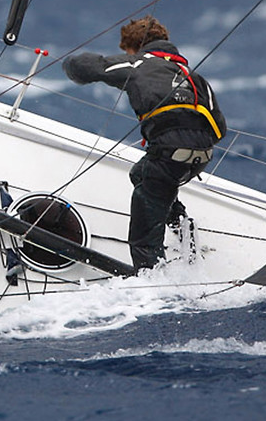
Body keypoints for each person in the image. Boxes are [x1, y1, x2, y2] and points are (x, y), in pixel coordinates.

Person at [62, 16, 225, 270]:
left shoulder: (138, 62)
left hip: (169, 153)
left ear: (134, 47)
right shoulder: (193, 76)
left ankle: (152, 281)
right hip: (202, 156)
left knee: (144, 231)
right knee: (142, 175)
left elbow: (90, 67)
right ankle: (185, 234)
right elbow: (220, 129)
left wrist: (68, 63)